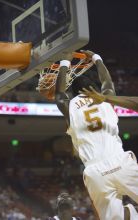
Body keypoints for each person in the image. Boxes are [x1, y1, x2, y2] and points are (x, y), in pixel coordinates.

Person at [55, 50, 138, 220]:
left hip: (96, 172)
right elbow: (107, 80)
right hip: (120, 162)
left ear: (73, 92)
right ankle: (131, 211)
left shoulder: (69, 106)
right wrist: (97, 58)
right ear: (95, 87)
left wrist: (64, 63)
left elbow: (59, 95)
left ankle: (129, 212)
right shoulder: (106, 98)